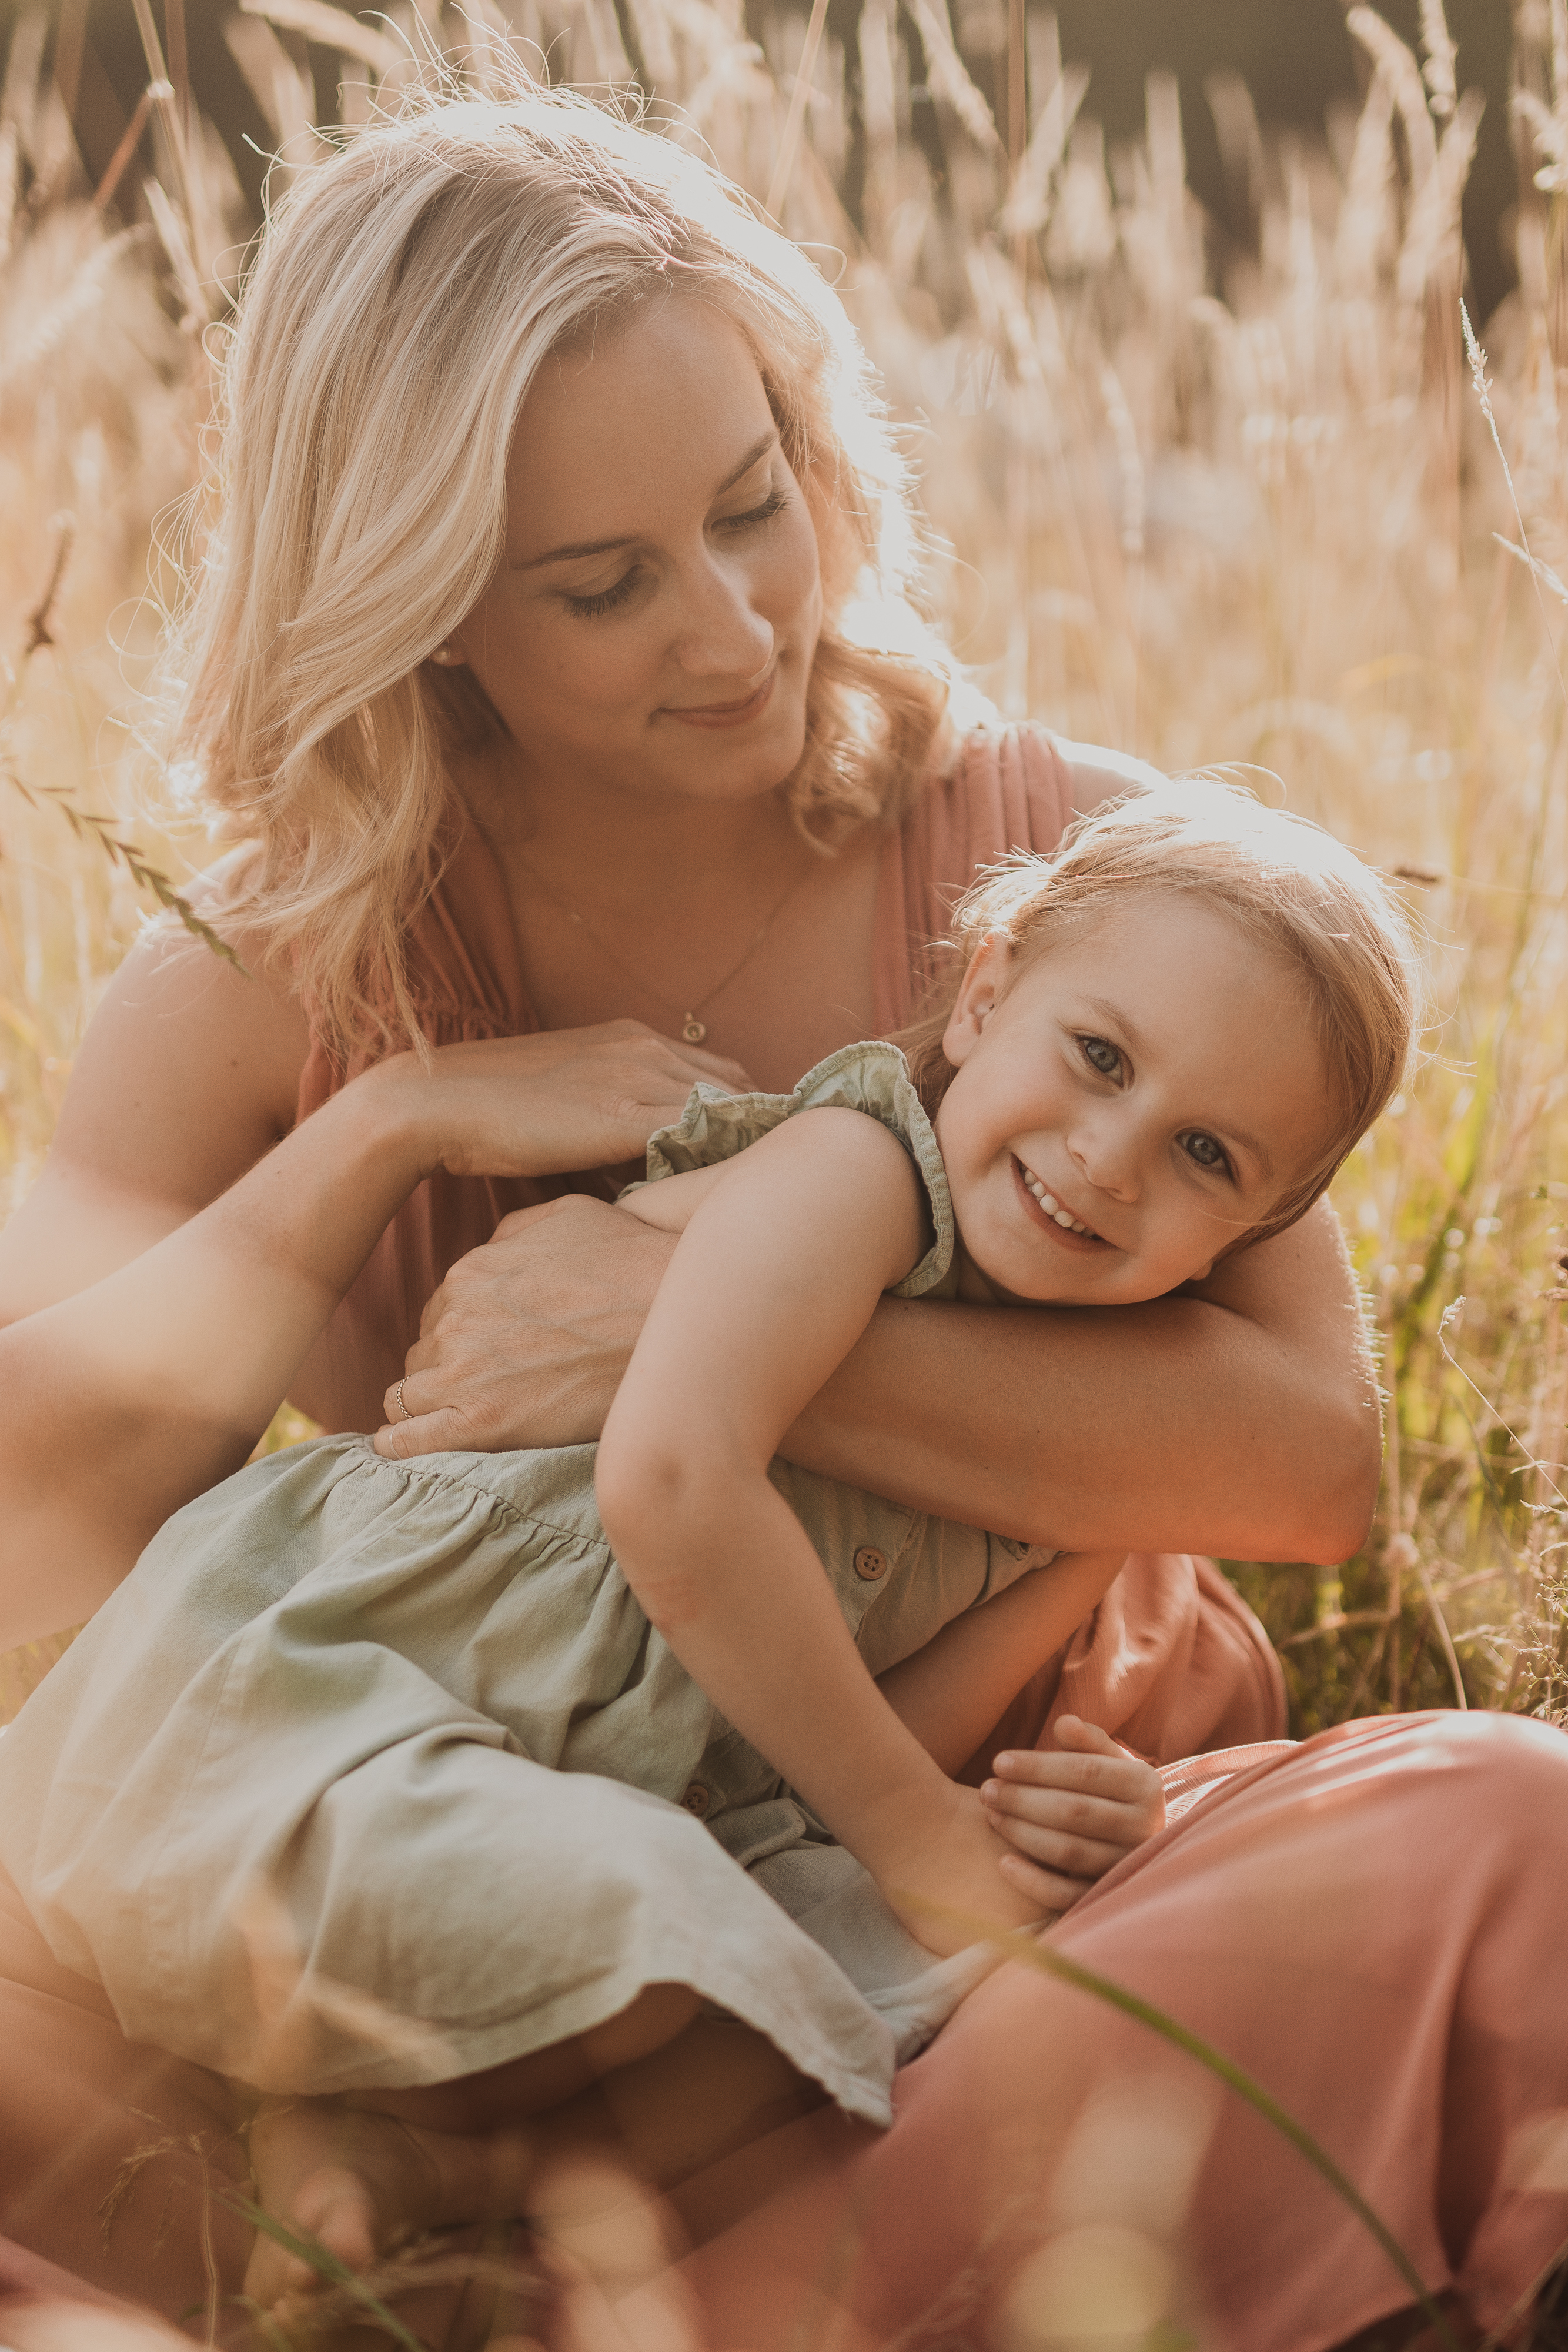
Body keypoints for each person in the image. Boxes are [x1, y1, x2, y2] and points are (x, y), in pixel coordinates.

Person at [0, 79, 1388, 2326]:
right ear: (427, 609)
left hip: (1021, 1860)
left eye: (757, 507)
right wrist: (388, 1132)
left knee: (1511, 1840)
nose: (738, 631)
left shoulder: (1068, 871)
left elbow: (1311, 1473)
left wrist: (706, 1343)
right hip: (489, 1904)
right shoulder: (281, 984)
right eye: (602, 586)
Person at [0, 780, 1419, 2311]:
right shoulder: (859, 1171)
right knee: (665, 1920)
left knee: (926, 1976)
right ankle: (405, 2164)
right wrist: (916, 1838)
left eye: (1207, 1155)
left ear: (1268, 1222)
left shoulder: (1084, 1443)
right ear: (994, 975)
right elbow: (671, 1482)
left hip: (601, 1781)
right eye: (1096, 1058)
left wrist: (997, 1833)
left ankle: (420, 2170)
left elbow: (868, 1731)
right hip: (343, 1704)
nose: (1110, 1155)